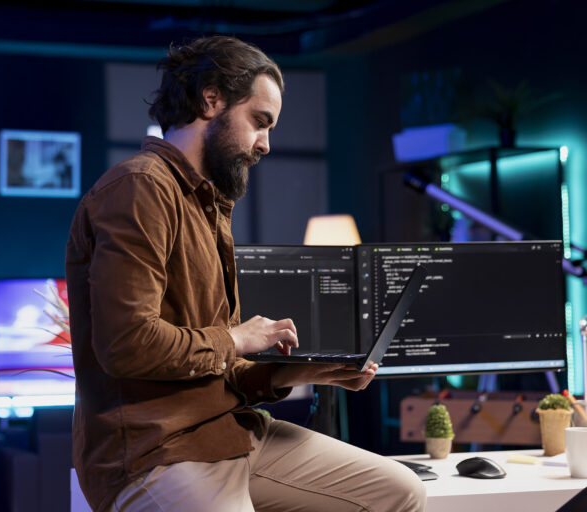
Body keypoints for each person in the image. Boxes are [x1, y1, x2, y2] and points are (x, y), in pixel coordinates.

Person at [65, 35, 425, 512]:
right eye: (260, 122)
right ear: (211, 99)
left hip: (232, 433)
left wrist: (304, 373)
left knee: (400, 491)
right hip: (155, 452)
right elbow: (126, 345)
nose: (266, 144)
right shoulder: (140, 188)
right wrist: (236, 338)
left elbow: (219, 370)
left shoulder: (211, 204)